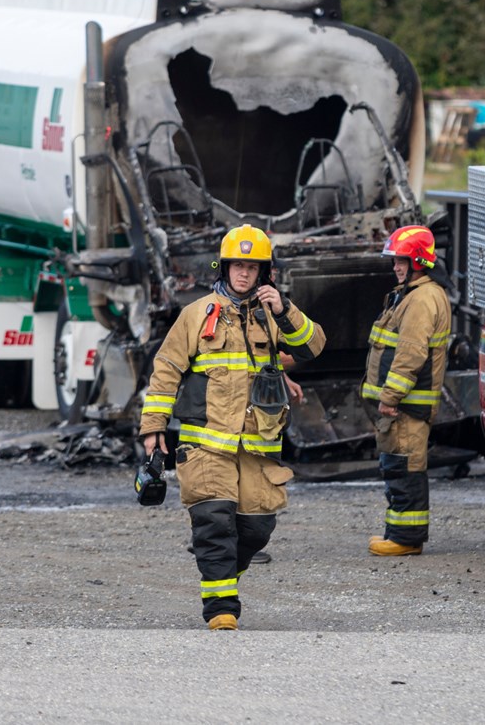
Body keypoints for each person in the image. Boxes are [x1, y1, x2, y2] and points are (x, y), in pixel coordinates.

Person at [138, 224, 326, 631]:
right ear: (224, 268)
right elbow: (166, 370)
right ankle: (221, 606)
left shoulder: (273, 316)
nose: (244, 274)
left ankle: (222, 575)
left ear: (265, 273)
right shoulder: (196, 315)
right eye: (238, 266)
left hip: (258, 446)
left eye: (253, 267)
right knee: (214, 521)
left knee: (256, 528)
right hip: (205, 445)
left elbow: (313, 348)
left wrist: (284, 310)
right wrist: (153, 427)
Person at [362, 225, 452, 557]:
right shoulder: (411, 294)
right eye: (395, 261)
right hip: (403, 405)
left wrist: (390, 396)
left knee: (405, 466)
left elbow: (411, 353)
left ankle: (406, 538)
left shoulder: (423, 298)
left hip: (407, 406)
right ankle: (399, 533)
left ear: (419, 262)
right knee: (397, 464)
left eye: (402, 260)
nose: (396, 267)